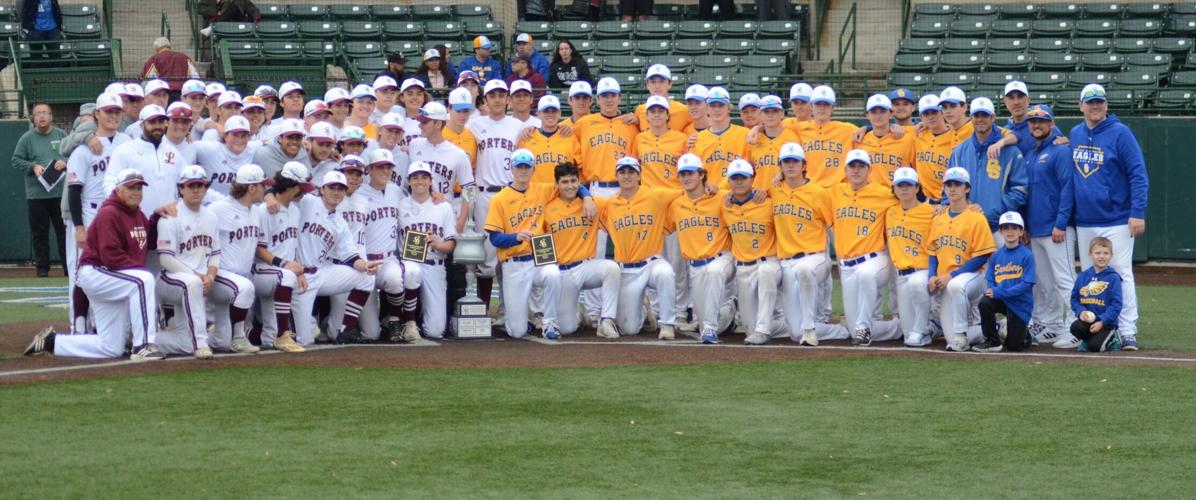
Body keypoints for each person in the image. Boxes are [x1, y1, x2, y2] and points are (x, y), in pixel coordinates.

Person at [24, 169, 167, 360]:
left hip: (110, 276)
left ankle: (52, 342)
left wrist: (156, 218)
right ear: (118, 190)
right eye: (131, 187)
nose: (137, 192)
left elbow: (147, 244)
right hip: (96, 272)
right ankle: (143, 345)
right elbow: (111, 257)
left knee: (111, 347)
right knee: (143, 281)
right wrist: (139, 273)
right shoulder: (110, 213)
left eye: (139, 188)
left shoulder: (138, 215)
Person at [1069, 84, 1148, 351]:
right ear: (1081, 106)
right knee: (1090, 277)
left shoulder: (1121, 133)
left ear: (1106, 105)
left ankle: (1127, 330)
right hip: (1085, 219)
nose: (1095, 106)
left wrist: (1137, 212)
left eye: (1100, 102)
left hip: (1116, 217)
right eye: (1090, 102)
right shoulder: (1076, 132)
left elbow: (1138, 173)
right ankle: (1092, 328)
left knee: (1121, 274)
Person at [64, 93, 129, 335]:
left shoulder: (128, 142)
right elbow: (73, 191)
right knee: (82, 271)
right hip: (89, 212)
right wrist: (79, 227)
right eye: (108, 111)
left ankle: (108, 327)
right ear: (97, 115)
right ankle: (78, 325)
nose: (112, 116)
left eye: (116, 112)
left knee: (113, 270)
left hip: (120, 216)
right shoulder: (83, 149)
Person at [772, 143, 850, 346]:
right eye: (786, 162)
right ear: (780, 166)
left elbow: (833, 225)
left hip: (814, 256)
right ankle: (842, 331)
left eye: (795, 161)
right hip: (786, 262)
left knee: (806, 270)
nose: (790, 166)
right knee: (795, 334)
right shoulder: (774, 191)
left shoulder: (818, 192)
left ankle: (810, 328)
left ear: (804, 165)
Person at [484, 149, 567, 340]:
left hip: (539, 258)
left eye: (527, 167)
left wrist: (586, 196)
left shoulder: (542, 190)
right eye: (519, 167)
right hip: (514, 263)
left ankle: (550, 322)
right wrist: (516, 237)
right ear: (511, 169)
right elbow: (495, 239)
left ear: (533, 169)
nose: (523, 171)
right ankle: (523, 322)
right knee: (517, 332)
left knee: (553, 274)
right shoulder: (500, 199)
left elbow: (571, 185)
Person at [291, 171, 378, 346]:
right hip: (299, 275)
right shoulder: (308, 202)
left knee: (367, 277)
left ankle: (346, 330)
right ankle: (295, 324)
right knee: (305, 340)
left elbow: (351, 256)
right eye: (332, 187)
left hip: (322, 273)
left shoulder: (340, 222)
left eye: (340, 189)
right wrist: (270, 195)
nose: (336, 192)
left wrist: (365, 265)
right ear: (322, 189)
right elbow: (285, 193)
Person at [599, 157, 679, 340]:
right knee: (629, 329)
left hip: (651, 262)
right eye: (622, 172)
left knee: (666, 273)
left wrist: (711, 187)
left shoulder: (655, 195)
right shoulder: (609, 205)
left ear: (639, 175)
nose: (627, 176)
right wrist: (585, 195)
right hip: (626, 269)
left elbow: (685, 193)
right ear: (616, 176)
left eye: (631, 172)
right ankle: (644, 311)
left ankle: (667, 324)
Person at [1022, 104, 1078, 348]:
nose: (1037, 125)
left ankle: (1077, 327)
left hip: (1056, 229)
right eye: (1033, 121)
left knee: (1066, 280)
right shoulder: (1031, 154)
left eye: (1042, 121)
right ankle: (1052, 326)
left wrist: (1061, 223)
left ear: (1052, 124)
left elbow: (1068, 188)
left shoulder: (1060, 151)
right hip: (1035, 229)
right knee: (1045, 282)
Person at [831, 150, 901, 346]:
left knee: (866, 276)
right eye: (852, 166)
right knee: (854, 330)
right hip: (846, 265)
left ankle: (863, 327)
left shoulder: (884, 193)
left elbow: (910, 200)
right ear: (845, 170)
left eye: (861, 166)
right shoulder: (835, 192)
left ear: (869, 170)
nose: (856, 170)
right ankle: (898, 327)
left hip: (875, 259)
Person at [542, 162, 620, 338]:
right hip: (562, 271)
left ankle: (606, 320)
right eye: (564, 182)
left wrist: (587, 196)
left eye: (573, 181)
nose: (570, 186)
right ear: (556, 185)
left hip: (585, 267)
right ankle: (579, 314)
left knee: (611, 268)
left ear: (579, 182)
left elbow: (619, 209)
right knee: (566, 328)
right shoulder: (548, 208)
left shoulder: (594, 203)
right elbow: (542, 245)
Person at [356, 149, 423, 342]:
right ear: (369, 169)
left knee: (395, 279)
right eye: (380, 167)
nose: (385, 171)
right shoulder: (358, 194)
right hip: (363, 262)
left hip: (387, 259)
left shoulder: (396, 191)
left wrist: (435, 194)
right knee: (371, 333)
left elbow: (416, 202)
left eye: (388, 167)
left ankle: (393, 319)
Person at [154, 165, 221, 359]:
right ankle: (201, 342)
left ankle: (147, 338)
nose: (196, 189)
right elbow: (165, 259)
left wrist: (210, 275)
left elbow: (215, 253)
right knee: (192, 284)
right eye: (190, 185)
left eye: (200, 185)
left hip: (200, 281)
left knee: (185, 344)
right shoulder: (170, 215)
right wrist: (198, 276)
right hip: (170, 280)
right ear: (181, 189)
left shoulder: (211, 216)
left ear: (206, 188)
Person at [928, 167, 996, 352]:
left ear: (967, 188)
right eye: (949, 184)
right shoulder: (938, 218)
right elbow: (933, 251)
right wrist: (931, 275)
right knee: (948, 336)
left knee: (956, 285)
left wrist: (952, 275)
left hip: (974, 276)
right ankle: (994, 329)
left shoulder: (976, 217)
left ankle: (960, 335)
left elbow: (982, 255)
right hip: (946, 280)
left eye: (957, 184)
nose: (952, 188)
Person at [668, 154, 734, 343]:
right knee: (703, 321)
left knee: (714, 272)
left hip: (723, 258)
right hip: (695, 266)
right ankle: (730, 309)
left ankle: (711, 330)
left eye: (691, 173)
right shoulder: (676, 204)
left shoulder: (721, 196)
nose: (686, 178)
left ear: (701, 175)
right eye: (682, 174)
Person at [722, 159, 785, 345]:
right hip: (743, 268)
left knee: (766, 271)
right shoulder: (725, 205)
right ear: (729, 180)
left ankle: (764, 329)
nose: (739, 182)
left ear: (752, 179)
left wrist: (770, 187)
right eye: (735, 178)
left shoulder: (768, 202)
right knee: (749, 328)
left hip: (768, 262)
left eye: (744, 177)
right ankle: (783, 324)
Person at [250, 162, 311, 353]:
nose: (304, 192)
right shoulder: (263, 211)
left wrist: (298, 270)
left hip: (281, 273)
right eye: (301, 187)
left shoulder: (295, 209)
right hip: (260, 270)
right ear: (291, 186)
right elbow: (258, 249)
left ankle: (256, 333)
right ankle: (282, 335)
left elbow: (291, 246)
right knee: (285, 276)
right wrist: (284, 265)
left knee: (298, 337)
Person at [204, 164, 265, 354]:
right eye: (263, 185)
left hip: (238, 280)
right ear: (252, 187)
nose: (266, 188)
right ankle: (239, 338)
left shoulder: (255, 211)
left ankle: (196, 337)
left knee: (221, 343)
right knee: (245, 287)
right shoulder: (218, 208)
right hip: (220, 275)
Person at [946, 97, 1027, 233]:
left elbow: (1021, 189)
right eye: (977, 115)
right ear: (971, 118)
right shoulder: (959, 151)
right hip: (966, 224)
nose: (980, 119)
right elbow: (949, 185)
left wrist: (996, 208)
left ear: (993, 117)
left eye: (985, 115)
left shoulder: (1010, 151)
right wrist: (962, 206)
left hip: (999, 227)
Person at [398, 161, 459, 339]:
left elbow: (451, 244)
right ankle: (406, 321)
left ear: (430, 181)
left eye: (424, 177)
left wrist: (438, 244)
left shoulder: (443, 206)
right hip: (409, 263)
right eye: (415, 177)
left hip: (434, 263)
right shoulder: (400, 204)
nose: (420, 181)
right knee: (411, 272)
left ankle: (419, 318)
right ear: (408, 181)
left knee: (435, 331)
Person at [12, 102, 68, 277]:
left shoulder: (62, 135)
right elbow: (15, 160)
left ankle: (69, 268)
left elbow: (73, 155)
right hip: (36, 196)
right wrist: (33, 166)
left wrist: (65, 162)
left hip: (60, 195)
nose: (42, 116)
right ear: (33, 118)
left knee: (64, 233)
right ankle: (42, 270)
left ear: (51, 117)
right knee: (39, 234)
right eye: (38, 113)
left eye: (45, 113)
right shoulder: (26, 139)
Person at [885, 167, 935, 347]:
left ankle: (923, 329)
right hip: (901, 275)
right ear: (894, 189)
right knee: (907, 334)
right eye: (900, 185)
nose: (904, 189)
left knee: (915, 283)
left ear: (917, 188)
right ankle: (930, 329)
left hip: (923, 271)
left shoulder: (932, 212)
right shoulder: (890, 212)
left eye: (909, 185)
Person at [976, 212, 1036, 352]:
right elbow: (990, 278)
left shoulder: (1027, 255)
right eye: (1006, 228)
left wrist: (999, 292)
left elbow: (1026, 285)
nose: (1010, 231)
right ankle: (992, 341)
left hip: (1019, 303)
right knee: (985, 302)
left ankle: (1024, 334)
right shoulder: (996, 255)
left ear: (1021, 231)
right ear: (1000, 231)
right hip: (1002, 299)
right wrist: (993, 291)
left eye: (1014, 228)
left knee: (1014, 346)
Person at [1069, 237, 1125, 352]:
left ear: (1111, 255)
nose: (1101, 256)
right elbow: (1074, 299)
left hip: (1105, 323)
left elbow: (1116, 305)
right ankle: (1086, 339)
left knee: (1095, 347)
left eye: (1106, 253)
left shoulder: (1113, 277)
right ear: (1090, 255)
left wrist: (1102, 321)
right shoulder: (1083, 276)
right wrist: (1081, 312)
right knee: (1075, 327)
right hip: (1088, 321)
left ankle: (1114, 337)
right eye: (1097, 253)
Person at [692, 87, 749, 188]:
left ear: (728, 108)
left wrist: (758, 128)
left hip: (738, 196)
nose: (717, 109)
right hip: (709, 196)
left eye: (721, 105)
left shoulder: (745, 134)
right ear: (707, 108)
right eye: (713, 106)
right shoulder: (697, 140)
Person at [857, 94, 916, 187]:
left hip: (896, 196)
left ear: (891, 114)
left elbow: (917, 170)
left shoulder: (907, 139)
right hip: (868, 196)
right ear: (867, 115)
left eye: (883, 111)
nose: (878, 116)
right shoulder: (859, 140)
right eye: (874, 112)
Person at [521, 95, 580, 184]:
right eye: (546, 111)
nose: (550, 114)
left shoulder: (570, 137)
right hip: (535, 194)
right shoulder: (527, 137)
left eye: (554, 111)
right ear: (538, 114)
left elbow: (580, 167)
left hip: (562, 194)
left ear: (560, 113)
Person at [746, 95, 800, 190]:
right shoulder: (754, 139)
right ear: (760, 115)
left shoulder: (792, 138)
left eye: (774, 111)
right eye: (766, 112)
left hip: (784, 194)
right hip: (759, 196)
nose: (770, 115)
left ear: (782, 114)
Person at [913, 94, 953, 203]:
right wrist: (867, 128)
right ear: (921, 117)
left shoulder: (955, 136)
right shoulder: (917, 134)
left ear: (942, 112)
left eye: (934, 112)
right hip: (923, 200)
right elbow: (886, 129)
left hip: (948, 199)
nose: (930, 117)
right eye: (926, 114)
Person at [633, 65, 692, 133]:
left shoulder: (684, 110)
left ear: (670, 84)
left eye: (662, 81)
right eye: (653, 82)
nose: (657, 86)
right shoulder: (640, 110)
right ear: (647, 85)